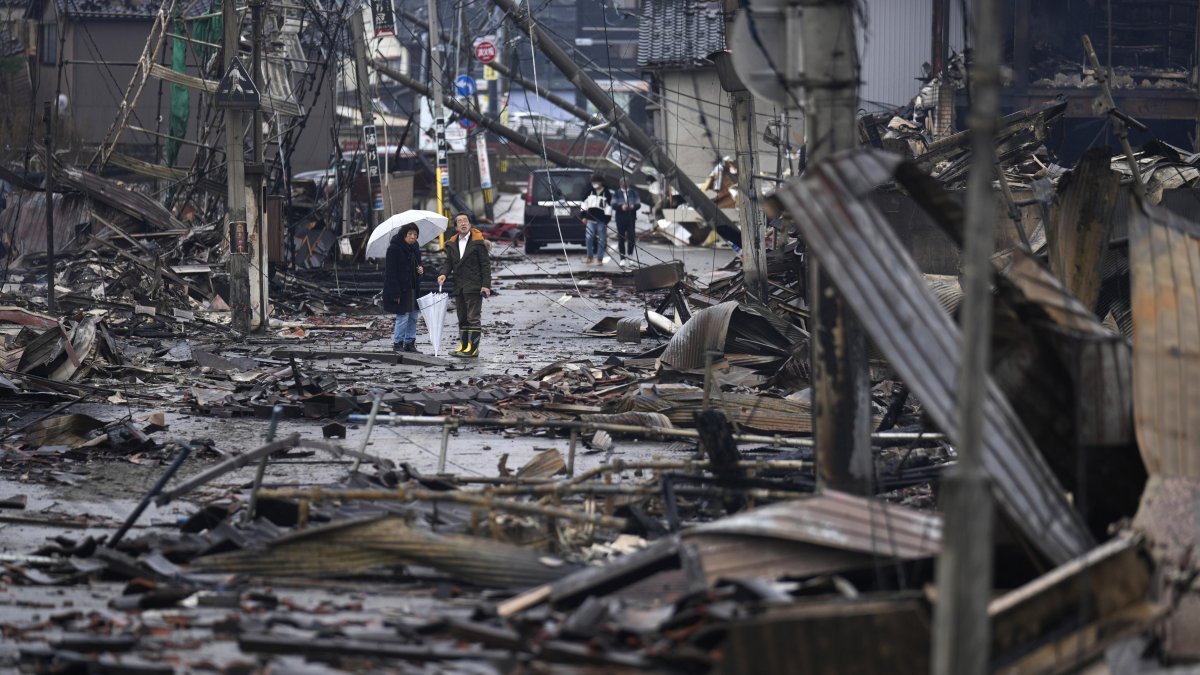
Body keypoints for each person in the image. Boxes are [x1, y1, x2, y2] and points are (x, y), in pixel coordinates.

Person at [437, 213, 492, 358]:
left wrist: (486, 285)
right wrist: (444, 274)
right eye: (460, 221)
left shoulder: (478, 243)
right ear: (456, 227)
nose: (463, 223)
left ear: (469, 224)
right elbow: (448, 262)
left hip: (474, 285)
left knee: (473, 317)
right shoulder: (452, 244)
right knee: (462, 317)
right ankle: (464, 346)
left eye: (465, 221)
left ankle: (473, 349)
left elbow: (485, 265)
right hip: (459, 285)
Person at [383, 222, 424, 353]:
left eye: (415, 234)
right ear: (404, 235)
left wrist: (421, 270)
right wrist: (395, 294)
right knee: (403, 317)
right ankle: (398, 343)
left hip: (413, 287)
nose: (413, 237)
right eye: (410, 234)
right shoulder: (394, 249)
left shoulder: (415, 247)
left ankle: (410, 343)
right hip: (401, 289)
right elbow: (390, 273)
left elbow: (419, 265)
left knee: (413, 316)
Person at [580, 174, 612, 265]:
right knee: (589, 237)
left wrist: (606, 221)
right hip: (590, 219)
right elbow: (584, 204)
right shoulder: (589, 191)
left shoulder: (607, 193)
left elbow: (608, 208)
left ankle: (599, 258)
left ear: (601, 182)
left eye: (596, 182)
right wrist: (583, 216)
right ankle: (590, 256)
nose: (594, 184)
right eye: (593, 182)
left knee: (602, 240)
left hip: (601, 221)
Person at [610, 177, 641, 267]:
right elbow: (613, 204)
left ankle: (630, 256)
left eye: (626, 183)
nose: (625, 184)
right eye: (623, 183)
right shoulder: (616, 193)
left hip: (631, 217)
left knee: (631, 237)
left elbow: (638, 204)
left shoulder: (634, 193)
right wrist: (621, 207)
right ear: (620, 184)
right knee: (621, 238)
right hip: (620, 218)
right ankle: (622, 258)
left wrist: (632, 206)